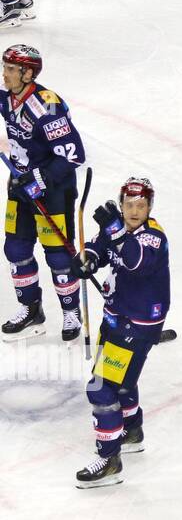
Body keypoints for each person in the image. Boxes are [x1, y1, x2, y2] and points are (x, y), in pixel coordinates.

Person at [71, 178, 169, 487]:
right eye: (129, 205)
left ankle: (110, 457)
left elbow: (135, 261)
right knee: (123, 383)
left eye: (141, 205)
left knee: (101, 388)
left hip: (137, 324)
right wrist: (87, 259)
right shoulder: (118, 228)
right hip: (115, 317)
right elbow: (98, 247)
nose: (134, 211)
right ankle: (132, 429)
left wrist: (114, 231)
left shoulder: (153, 236)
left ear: (149, 207)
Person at [1, 45, 85, 342]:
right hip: (19, 185)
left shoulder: (46, 106)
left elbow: (74, 155)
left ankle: (71, 312)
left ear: (28, 73)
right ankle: (31, 309)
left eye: (11, 69)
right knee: (16, 250)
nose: (5, 74)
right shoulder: (9, 96)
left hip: (53, 190)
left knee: (59, 256)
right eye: (5, 67)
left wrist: (39, 178)